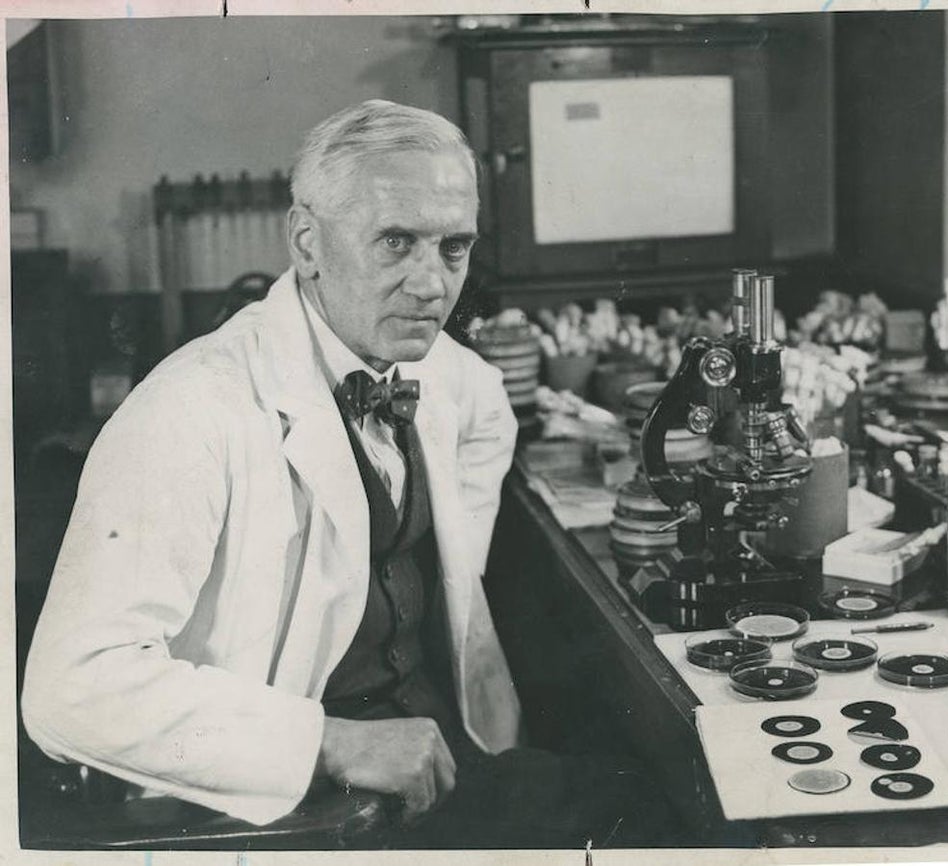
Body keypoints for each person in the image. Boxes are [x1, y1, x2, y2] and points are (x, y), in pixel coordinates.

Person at [22, 100, 668, 848]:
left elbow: (487, 406)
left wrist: (451, 563)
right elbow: (70, 688)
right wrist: (328, 742)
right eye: (396, 242)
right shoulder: (189, 409)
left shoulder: (424, 365)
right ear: (307, 242)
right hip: (300, 814)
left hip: (442, 760)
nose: (431, 284)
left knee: (650, 787)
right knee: (656, 813)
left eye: (453, 248)